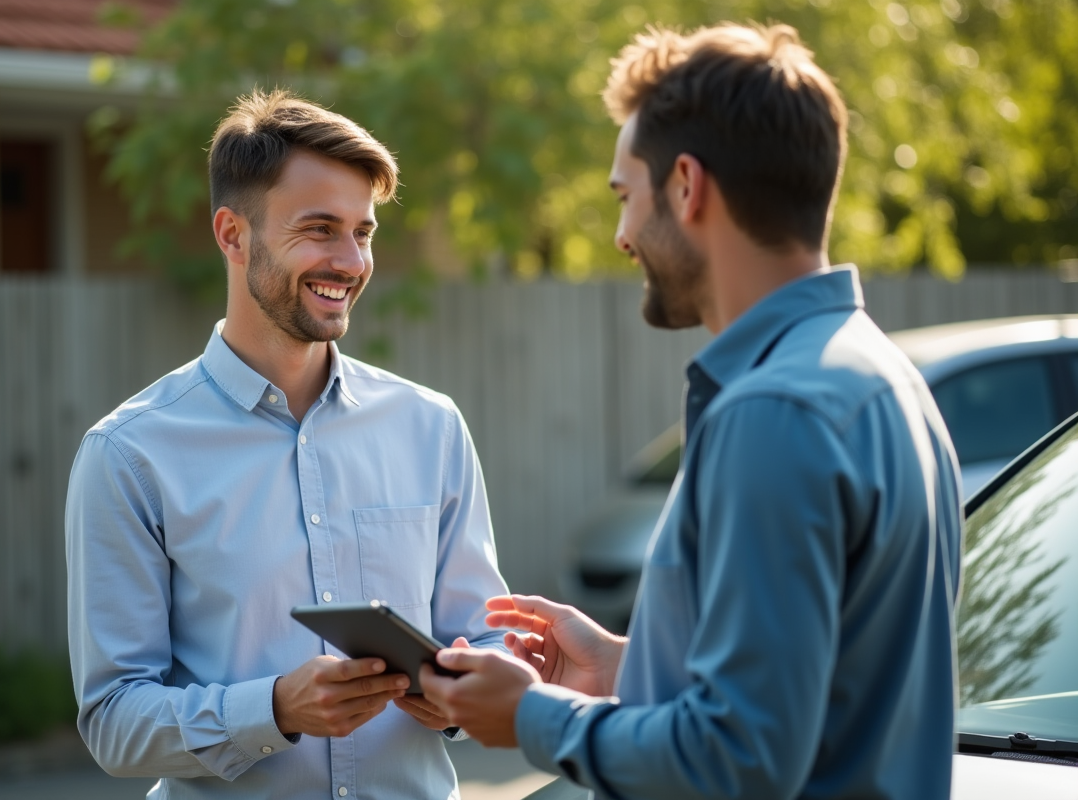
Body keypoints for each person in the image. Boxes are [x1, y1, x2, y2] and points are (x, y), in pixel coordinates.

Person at [421, 22, 962, 800]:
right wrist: (623, 666)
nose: (621, 235)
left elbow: (740, 756)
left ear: (686, 185)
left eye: (624, 196)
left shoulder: (774, 412)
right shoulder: (885, 380)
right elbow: (824, 692)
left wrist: (535, 716)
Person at [65, 89, 509, 799]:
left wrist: (459, 693)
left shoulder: (431, 427)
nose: (351, 261)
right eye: (320, 229)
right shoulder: (130, 454)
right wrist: (272, 711)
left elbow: (486, 640)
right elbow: (115, 721)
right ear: (233, 235)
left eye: (363, 232)